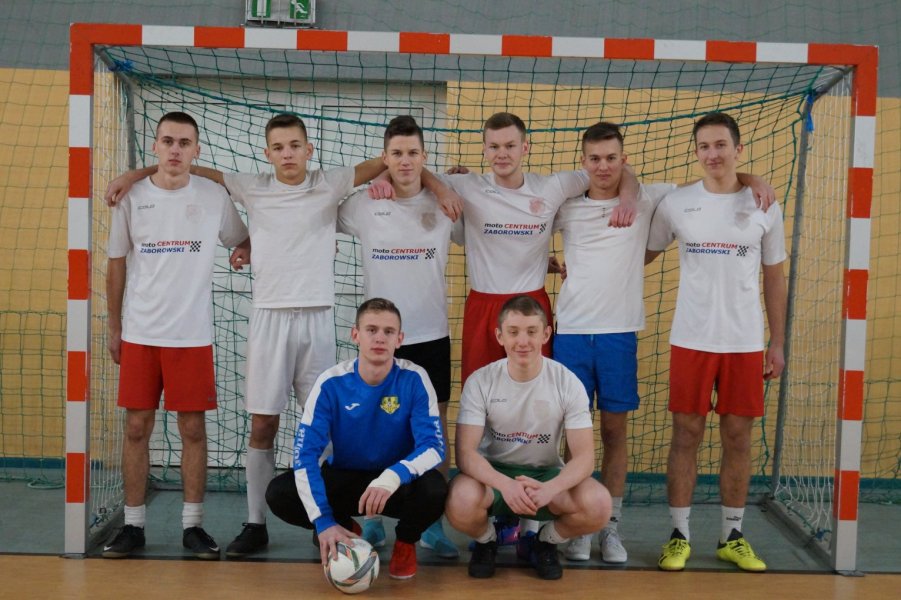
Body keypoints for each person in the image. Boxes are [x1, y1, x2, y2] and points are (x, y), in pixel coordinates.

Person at [104, 113, 460, 558]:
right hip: (268, 318)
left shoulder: (330, 183)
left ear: (309, 150)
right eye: (278, 147)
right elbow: (190, 166)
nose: (287, 154)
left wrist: (438, 184)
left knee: (330, 427)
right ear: (267, 153)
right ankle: (255, 524)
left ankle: (326, 518)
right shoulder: (249, 186)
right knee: (263, 424)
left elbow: (392, 160)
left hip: (318, 320)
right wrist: (135, 175)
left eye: (295, 146)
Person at [552, 122, 775, 564]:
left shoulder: (652, 198)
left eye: (612, 158)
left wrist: (754, 179)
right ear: (583, 162)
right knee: (570, 437)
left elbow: (716, 182)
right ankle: (576, 523)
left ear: (624, 160)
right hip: (570, 334)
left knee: (614, 433)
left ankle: (609, 527)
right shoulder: (566, 206)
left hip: (619, 333)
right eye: (594, 158)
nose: (603, 166)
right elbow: (522, 219)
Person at [101, 112, 250, 560]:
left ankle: (193, 526)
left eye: (184, 142)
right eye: (167, 140)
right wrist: (114, 326)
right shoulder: (131, 197)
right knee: (136, 427)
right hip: (141, 332)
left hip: (191, 335)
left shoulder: (213, 195)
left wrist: (244, 251)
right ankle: (132, 525)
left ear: (196, 150)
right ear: (155, 146)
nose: (175, 149)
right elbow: (116, 264)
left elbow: (241, 239)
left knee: (193, 430)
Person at [645, 111, 787, 572]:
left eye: (721, 145)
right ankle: (679, 536)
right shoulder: (677, 203)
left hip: (744, 342)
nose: (713, 154)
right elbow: (640, 254)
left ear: (738, 149)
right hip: (691, 338)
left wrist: (777, 342)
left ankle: (732, 536)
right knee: (685, 433)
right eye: (704, 146)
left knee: (738, 437)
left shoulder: (764, 204)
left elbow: (775, 277)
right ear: (696, 152)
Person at [337, 116, 463, 557]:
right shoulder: (363, 205)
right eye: (396, 154)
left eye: (413, 153)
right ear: (384, 158)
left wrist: (442, 184)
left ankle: (431, 526)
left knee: (434, 429)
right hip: (380, 338)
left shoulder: (446, 201)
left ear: (425, 157)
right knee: (372, 430)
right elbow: (316, 209)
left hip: (431, 334)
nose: (405, 161)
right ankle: (371, 520)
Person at [265, 298, 448, 580]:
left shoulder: (414, 378)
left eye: (388, 331)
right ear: (355, 335)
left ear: (399, 339)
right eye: (371, 330)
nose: (379, 338)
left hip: (394, 484)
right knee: (280, 493)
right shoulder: (331, 382)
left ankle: (405, 542)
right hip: (346, 478)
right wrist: (323, 521)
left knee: (435, 489)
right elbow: (305, 455)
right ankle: (342, 527)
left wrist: (393, 476)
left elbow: (433, 446)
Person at [445, 295, 612, 580]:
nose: (523, 341)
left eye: (531, 332)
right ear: (500, 336)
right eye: (513, 332)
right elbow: (466, 454)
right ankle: (487, 541)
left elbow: (585, 458)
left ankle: (544, 542)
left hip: (545, 476)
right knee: (459, 499)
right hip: (494, 477)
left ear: (546, 334)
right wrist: (505, 485)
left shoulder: (567, 382)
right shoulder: (481, 381)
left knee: (598, 504)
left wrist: (551, 488)